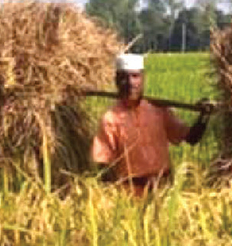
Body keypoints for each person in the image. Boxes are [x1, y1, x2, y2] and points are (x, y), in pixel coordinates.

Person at [91, 53, 213, 195]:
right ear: (116, 81)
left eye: (135, 76)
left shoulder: (159, 110)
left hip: (164, 190)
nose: (130, 83)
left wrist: (204, 116)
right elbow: (103, 164)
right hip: (131, 194)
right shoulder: (110, 119)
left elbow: (191, 138)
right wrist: (114, 199)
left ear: (143, 79)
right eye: (124, 77)